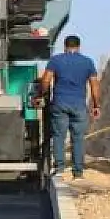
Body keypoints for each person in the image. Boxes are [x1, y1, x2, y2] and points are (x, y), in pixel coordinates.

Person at [39, 35, 101, 180]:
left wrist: (40, 95)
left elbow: (46, 80)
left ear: (65, 46)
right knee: (78, 138)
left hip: (60, 103)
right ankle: (78, 172)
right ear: (79, 46)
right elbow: (94, 85)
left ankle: (60, 169)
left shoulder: (56, 60)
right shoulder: (87, 62)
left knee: (59, 136)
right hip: (79, 105)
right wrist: (96, 105)